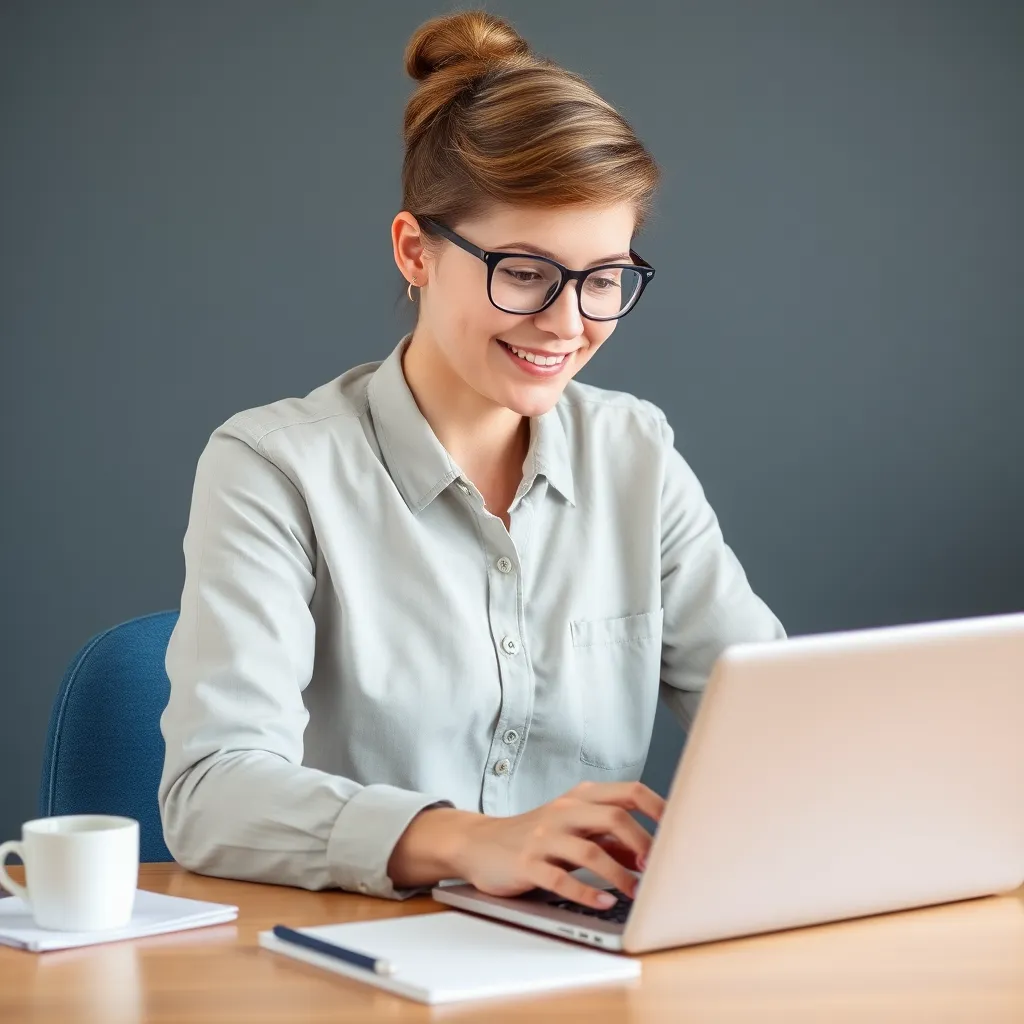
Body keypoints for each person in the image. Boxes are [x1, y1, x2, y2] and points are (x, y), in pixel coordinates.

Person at [159, 10, 785, 913]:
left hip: (584, 961)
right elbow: (210, 794)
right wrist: (473, 840)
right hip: (352, 964)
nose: (569, 324)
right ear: (417, 251)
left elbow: (774, 714)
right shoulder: (273, 466)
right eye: (525, 272)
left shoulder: (633, 453)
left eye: (604, 277)